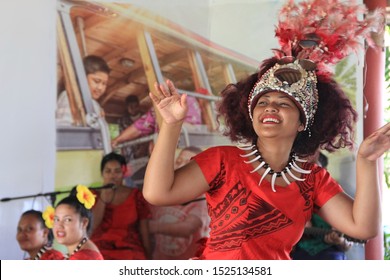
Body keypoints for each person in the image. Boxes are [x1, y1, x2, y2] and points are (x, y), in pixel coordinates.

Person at [142, 0, 388, 260]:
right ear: (250, 114)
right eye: (263, 103)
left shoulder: (312, 179)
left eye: (283, 104)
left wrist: (367, 161)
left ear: (303, 122)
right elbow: (158, 193)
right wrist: (171, 125)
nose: (270, 108)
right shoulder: (222, 161)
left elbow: (363, 228)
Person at [149, 146, 210, 260]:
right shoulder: (162, 196)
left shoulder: (201, 200)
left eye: (188, 165)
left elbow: (189, 228)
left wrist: (152, 227)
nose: (181, 166)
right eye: (178, 162)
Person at [90, 152, 152, 259]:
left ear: (123, 173)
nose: (112, 176)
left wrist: (148, 257)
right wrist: (103, 197)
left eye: (117, 171)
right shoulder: (92, 195)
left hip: (129, 249)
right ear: (102, 174)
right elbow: (93, 226)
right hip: (100, 249)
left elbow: (144, 231)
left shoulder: (136, 196)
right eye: (108, 171)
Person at [291, 153, 353, 260]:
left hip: (329, 254)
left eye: (314, 170)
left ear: (325, 172)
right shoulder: (291, 195)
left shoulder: (336, 198)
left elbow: (347, 244)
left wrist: (339, 240)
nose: (309, 175)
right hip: (299, 254)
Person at [111, 94, 202, 149]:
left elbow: (194, 128)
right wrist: (116, 140)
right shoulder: (155, 110)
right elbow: (138, 127)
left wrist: (161, 137)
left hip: (190, 147)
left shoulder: (188, 100)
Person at [48, 185, 104, 260]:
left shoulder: (84, 257)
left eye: (67, 220)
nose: (59, 225)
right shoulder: (78, 252)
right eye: (56, 219)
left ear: (84, 223)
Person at [56, 55, 110, 127]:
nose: (100, 88)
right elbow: (65, 131)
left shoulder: (95, 104)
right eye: (96, 81)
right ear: (82, 78)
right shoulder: (69, 97)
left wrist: (101, 120)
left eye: (104, 84)